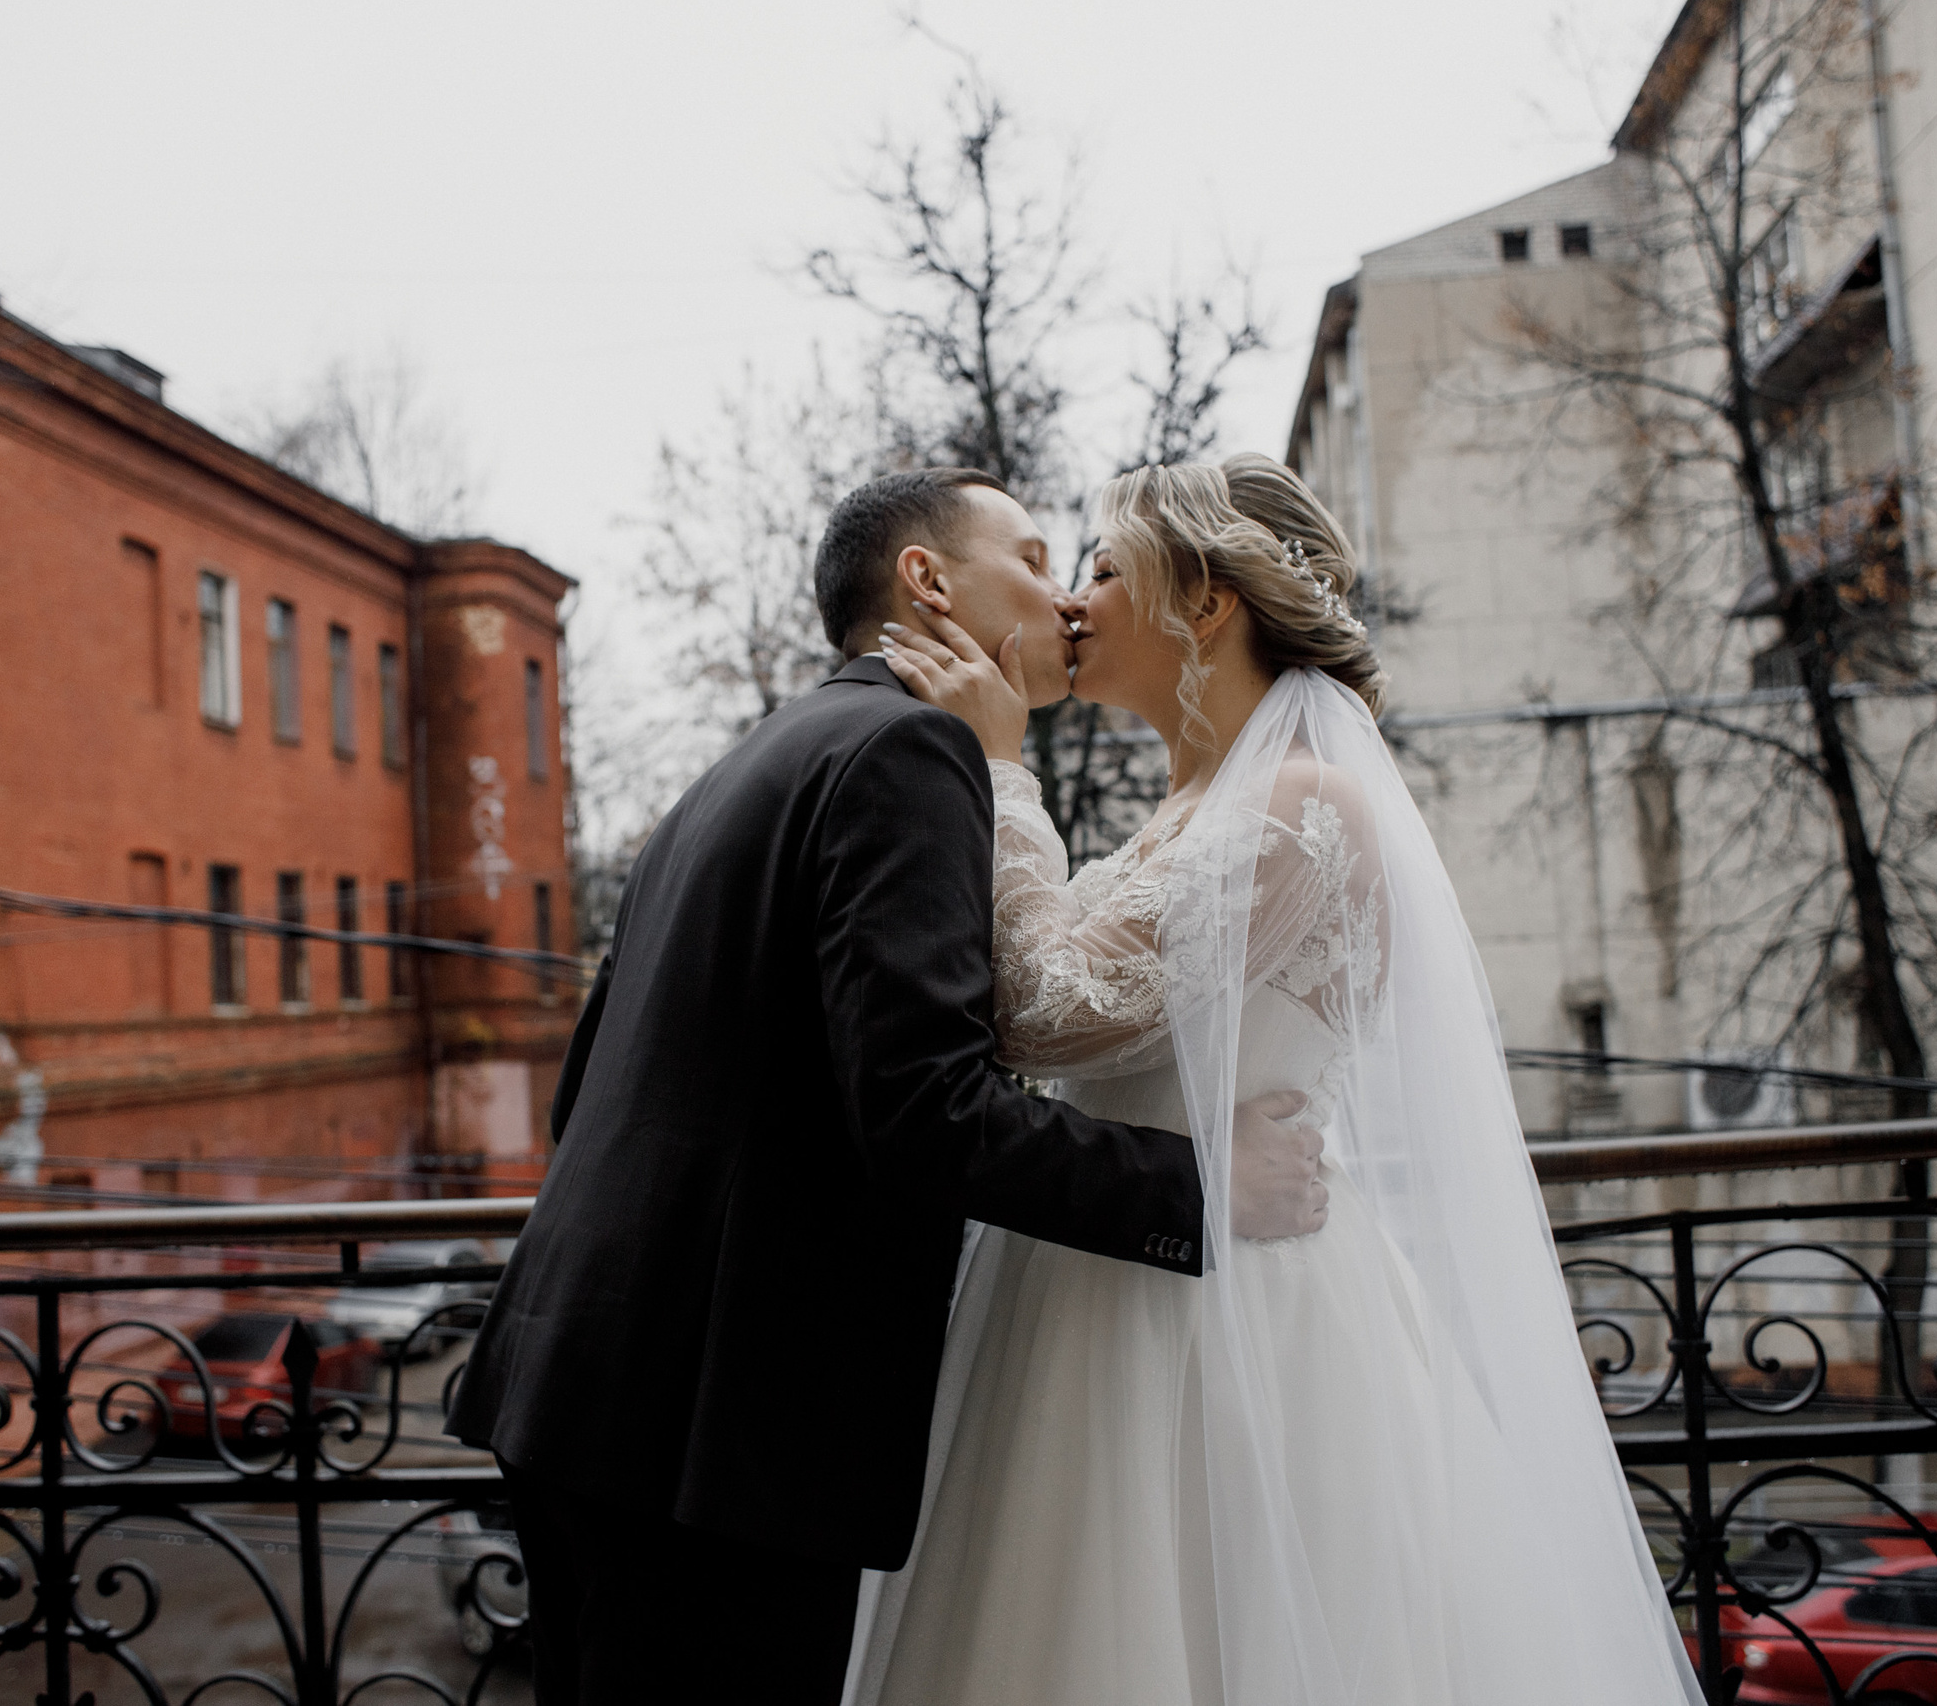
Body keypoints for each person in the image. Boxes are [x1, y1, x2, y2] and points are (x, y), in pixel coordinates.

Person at [444, 466, 1330, 1706]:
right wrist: (1202, 1180)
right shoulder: (910, 751)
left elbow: (583, 1092)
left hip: (577, 1386)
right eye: (1031, 557)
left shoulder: (753, 760)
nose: (1064, 598)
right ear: (926, 580)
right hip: (721, 1434)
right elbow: (924, 1113)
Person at [860, 454, 1707, 1705]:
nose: (1075, 601)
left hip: (1225, 1319)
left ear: (1206, 604)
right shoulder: (1178, 814)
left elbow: (1039, 1013)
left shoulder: (1301, 808)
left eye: (1101, 566)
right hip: (1099, 1275)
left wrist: (1000, 769)